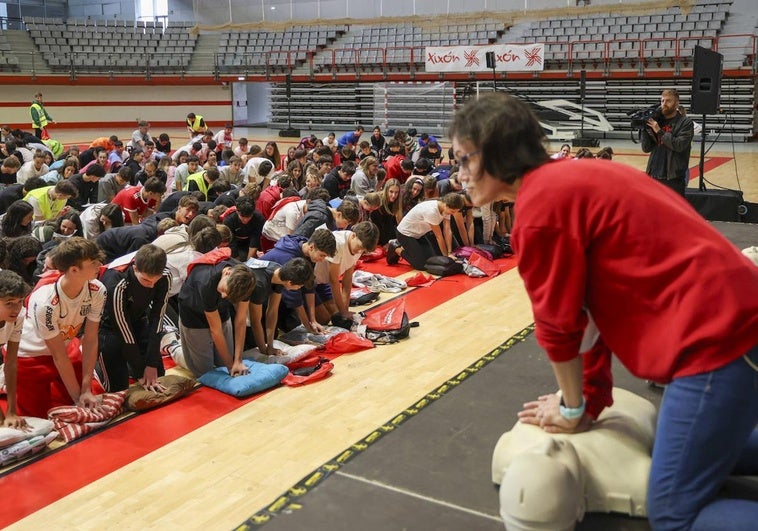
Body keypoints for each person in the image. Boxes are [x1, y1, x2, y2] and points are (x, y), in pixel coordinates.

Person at [448, 92, 758, 531]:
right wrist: (589, 399)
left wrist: (572, 410)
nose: (458, 175)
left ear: (497, 152)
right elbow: (591, 317)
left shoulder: (539, 210)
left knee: (673, 514)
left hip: (717, 341)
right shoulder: (578, 175)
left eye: (463, 160)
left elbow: (560, 328)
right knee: (698, 449)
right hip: (738, 318)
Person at [16, 238, 106, 418]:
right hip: (30, 354)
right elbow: (58, 356)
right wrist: (77, 400)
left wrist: (85, 390)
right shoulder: (45, 303)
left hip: (65, 343)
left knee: (92, 395)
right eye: (93, 262)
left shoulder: (98, 290)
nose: (100, 265)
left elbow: (90, 339)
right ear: (74, 269)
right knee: (39, 418)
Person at [96, 245, 171, 393]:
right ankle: (98, 367)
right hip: (109, 327)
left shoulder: (165, 276)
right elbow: (122, 328)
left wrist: (151, 363)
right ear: (135, 269)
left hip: (137, 318)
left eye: (155, 281)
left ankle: (133, 365)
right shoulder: (117, 281)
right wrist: (140, 370)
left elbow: (157, 317)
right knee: (118, 389)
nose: (152, 286)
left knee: (158, 375)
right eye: (146, 281)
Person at [176, 248, 255, 378]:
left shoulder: (246, 280)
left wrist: (238, 360)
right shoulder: (206, 281)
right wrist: (231, 367)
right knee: (204, 371)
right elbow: (216, 330)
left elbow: (241, 320)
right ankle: (174, 347)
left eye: (228, 294)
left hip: (219, 308)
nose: (224, 295)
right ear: (227, 273)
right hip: (193, 312)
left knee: (220, 363)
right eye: (224, 290)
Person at [261, 229, 337, 333]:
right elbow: (294, 299)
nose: (323, 259)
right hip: (268, 291)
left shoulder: (309, 251)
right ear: (311, 247)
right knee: (295, 328)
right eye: (322, 255)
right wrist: (308, 327)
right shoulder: (288, 258)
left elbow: (309, 285)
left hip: (287, 289)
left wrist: (313, 320)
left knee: (323, 318)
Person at [246, 257, 314, 356]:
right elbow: (255, 321)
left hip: (251, 295)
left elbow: (272, 311)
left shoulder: (280, 273)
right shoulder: (260, 284)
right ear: (290, 283)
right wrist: (263, 350)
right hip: (231, 298)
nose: (299, 288)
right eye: (299, 286)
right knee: (250, 339)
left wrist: (270, 345)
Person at [315, 222, 379, 322]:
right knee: (324, 319)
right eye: (359, 247)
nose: (359, 251)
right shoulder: (338, 244)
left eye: (363, 250)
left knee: (338, 317)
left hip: (323, 283)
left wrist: (345, 310)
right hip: (312, 281)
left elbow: (347, 280)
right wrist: (343, 312)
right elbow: (334, 281)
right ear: (353, 235)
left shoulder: (358, 247)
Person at [387, 192, 465, 270]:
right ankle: (396, 248)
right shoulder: (431, 211)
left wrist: (449, 252)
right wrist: (446, 258)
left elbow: (447, 230)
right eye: (452, 211)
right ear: (446, 205)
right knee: (421, 265)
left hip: (419, 234)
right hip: (405, 234)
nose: (453, 214)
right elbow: (439, 236)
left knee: (430, 261)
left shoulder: (446, 208)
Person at [640, 88, 694, 197]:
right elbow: (646, 148)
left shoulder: (685, 123)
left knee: (674, 211)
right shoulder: (657, 120)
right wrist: (644, 128)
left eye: (668, 101)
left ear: (677, 103)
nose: (664, 104)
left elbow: (679, 145)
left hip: (673, 177)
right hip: (653, 174)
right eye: (662, 101)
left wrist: (659, 131)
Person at [0, 270, 30, 429]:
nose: (16, 308)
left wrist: (12, 411)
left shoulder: (18, 316)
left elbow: (11, 363)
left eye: (20, 301)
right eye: (9, 303)